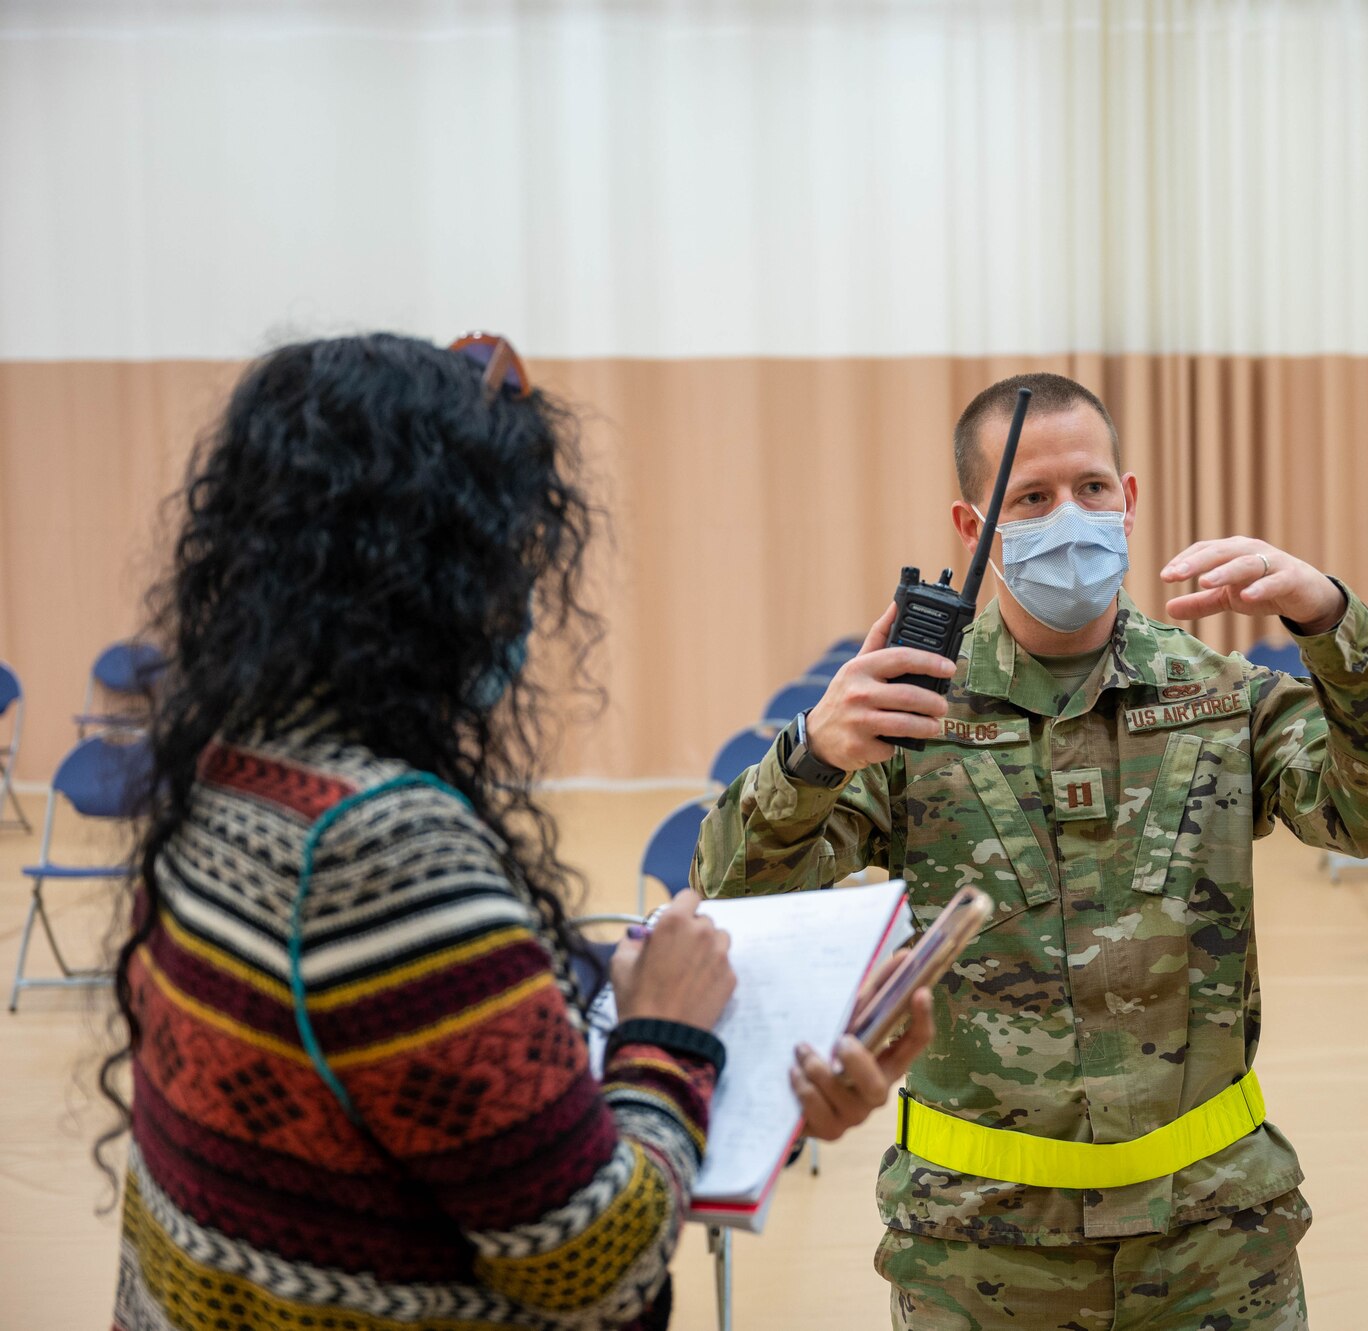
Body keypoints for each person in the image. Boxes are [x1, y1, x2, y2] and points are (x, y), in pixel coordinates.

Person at [102, 333, 932, 1331]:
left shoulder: (230, 767)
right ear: (432, 573)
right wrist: (665, 1036)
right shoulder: (385, 845)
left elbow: (445, 1108)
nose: (526, 591)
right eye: (507, 552)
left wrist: (738, 1083)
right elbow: (594, 1259)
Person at [696, 372, 1368, 1329]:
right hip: (979, 1256)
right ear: (973, 528)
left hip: (1216, 1247)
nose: (1071, 516)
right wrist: (812, 755)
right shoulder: (903, 715)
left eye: (1093, 488)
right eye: (1032, 497)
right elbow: (729, 905)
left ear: (1130, 500)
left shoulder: (1217, 696)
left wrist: (1331, 621)